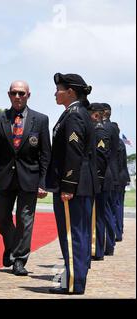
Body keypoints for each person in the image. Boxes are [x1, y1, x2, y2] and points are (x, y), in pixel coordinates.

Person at [0, 80, 51, 276]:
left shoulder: (41, 120)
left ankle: (19, 260)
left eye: (22, 93)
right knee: (1, 217)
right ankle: (12, 245)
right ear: (9, 94)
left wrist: (43, 182)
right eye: (14, 93)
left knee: (25, 220)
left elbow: (45, 153)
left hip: (29, 177)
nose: (18, 97)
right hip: (4, 177)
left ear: (28, 95)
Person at [46, 73, 99, 295]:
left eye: (59, 89)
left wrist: (67, 185)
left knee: (71, 234)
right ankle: (75, 279)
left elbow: (73, 152)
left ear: (70, 92)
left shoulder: (74, 115)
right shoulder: (76, 113)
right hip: (82, 183)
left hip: (73, 185)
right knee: (80, 233)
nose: (55, 93)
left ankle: (73, 283)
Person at [87, 103, 112, 261]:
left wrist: (97, 179)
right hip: (99, 179)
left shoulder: (100, 130)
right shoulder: (97, 129)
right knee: (97, 215)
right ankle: (97, 248)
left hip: (100, 179)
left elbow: (101, 157)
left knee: (97, 215)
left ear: (95, 115)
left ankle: (96, 249)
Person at [101, 103, 120, 251]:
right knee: (109, 209)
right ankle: (109, 242)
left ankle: (106, 244)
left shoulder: (104, 128)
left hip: (103, 173)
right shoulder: (113, 127)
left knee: (104, 210)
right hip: (112, 172)